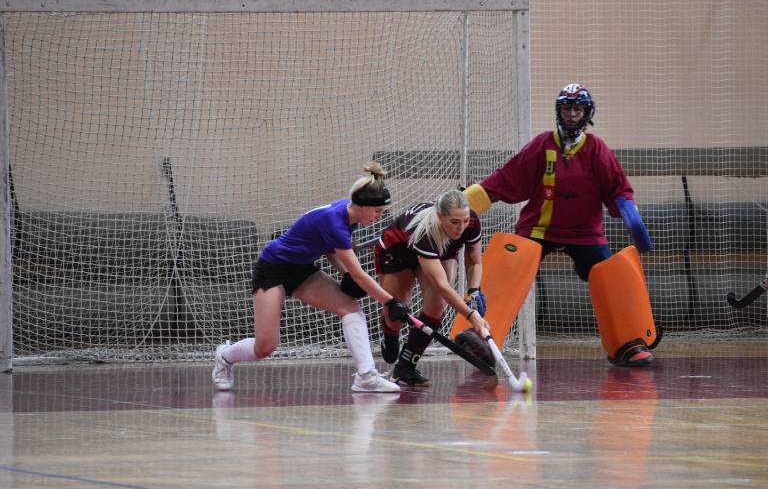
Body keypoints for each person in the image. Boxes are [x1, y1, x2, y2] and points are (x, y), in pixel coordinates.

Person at [463, 82, 657, 366]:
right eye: (567, 108)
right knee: (508, 266)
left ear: (587, 113)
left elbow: (617, 189)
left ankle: (628, 342)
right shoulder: (542, 145)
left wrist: (628, 209)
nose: (572, 115)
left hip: (585, 234)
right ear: (559, 111)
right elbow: (507, 178)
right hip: (538, 229)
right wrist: (467, 201)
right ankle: (480, 335)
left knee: (611, 273)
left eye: (578, 109)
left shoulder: (597, 149)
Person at [212, 162, 412, 392]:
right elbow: (358, 274)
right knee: (265, 347)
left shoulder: (350, 215)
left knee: (350, 308)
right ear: (362, 205)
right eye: (377, 211)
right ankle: (225, 356)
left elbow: (330, 250)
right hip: (273, 269)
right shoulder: (336, 221)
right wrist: (390, 302)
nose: (379, 216)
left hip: (302, 270)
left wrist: (344, 275)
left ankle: (366, 377)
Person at [374, 189, 491, 387]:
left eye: (464, 221)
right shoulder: (425, 230)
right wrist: (472, 316)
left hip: (439, 251)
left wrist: (474, 291)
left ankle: (405, 367)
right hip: (396, 252)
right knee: (396, 316)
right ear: (440, 216)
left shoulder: (471, 222)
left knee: (437, 305)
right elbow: (442, 284)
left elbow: (474, 261)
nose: (460, 228)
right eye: (454, 222)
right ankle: (390, 334)